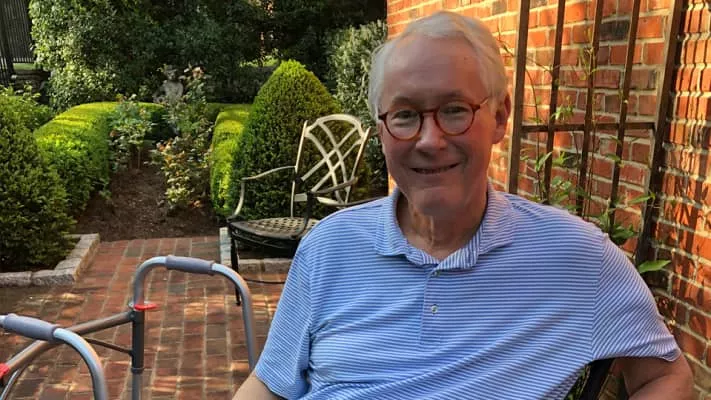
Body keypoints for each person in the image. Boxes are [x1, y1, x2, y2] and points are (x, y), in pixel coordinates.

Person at [235, 11, 693, 400]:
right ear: (381, 131)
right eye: (405, 115)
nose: (429, 141)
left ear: (500, 117)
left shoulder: (576, 257)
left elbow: (666, 376)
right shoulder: (329, 248)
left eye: (455, 110)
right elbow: (270, 384)